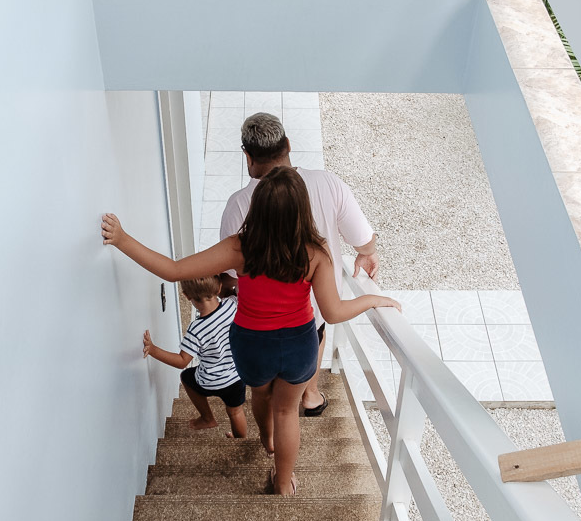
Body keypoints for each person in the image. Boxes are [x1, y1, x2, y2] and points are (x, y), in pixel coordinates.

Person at [102, 166, 400, 496]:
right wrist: (372, 298)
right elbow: (332, 312)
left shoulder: (239, 248)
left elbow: (173, 271)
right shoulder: (315, 253)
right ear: (302, 209)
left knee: (259, 395)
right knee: (288, 411)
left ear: (257, 208)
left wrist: (122, 239)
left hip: (252, 344)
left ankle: (266, 439)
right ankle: (283, 483)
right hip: (299, 344)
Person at [220, 112, 379, 417]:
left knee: (268, 393)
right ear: (288, 144)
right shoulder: (327, 183)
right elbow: (362, 237)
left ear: (247, 156)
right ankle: (310, 394)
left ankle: (269, 423)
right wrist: (368, 253)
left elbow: (230, 276)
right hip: (313, 312)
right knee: (313, 338)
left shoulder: (239, 204)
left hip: (259, 322)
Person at [142, 277, 248, 438]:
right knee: (235, 412)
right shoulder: (232, 306)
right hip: (237, 375)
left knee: (186, 377)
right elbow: (240, 289)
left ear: (186, 295)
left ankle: (207, 418)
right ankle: (241, 442)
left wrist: (153, 350)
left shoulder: (195, 329)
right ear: (219, 288)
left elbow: (182, 361)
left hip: (210, 382)